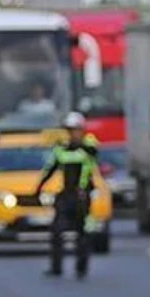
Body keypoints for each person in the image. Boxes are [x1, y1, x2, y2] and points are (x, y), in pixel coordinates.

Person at [35, 112, 99, 279]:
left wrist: (78, 144)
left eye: (75, 130)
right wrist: (38, 188)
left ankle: (81, 268)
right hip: (66, 195)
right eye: (70, 130)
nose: (72, 134)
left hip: (82, 196)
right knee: (57, 231)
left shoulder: (88, 147)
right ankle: (56, 267)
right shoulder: (61, 150)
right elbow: (50, 169)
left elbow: (92, 152)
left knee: (83, 233)